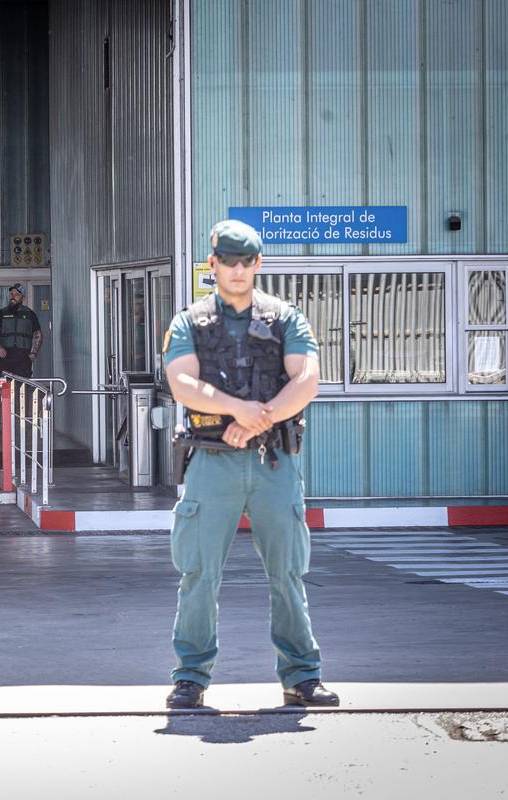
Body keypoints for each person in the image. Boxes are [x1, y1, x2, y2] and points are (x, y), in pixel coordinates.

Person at [162, 219, 336, 709]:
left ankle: (302, 675)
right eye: (228, 262)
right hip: (213, 461)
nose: (237, 270)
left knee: (287, 572)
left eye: (247, 262)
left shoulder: (286, 319)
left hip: (272, 462)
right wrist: (238, 410)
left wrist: (256, 422)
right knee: (198, 572)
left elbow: (307, 381)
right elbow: (182, 383)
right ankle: (190, 677)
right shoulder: (188, 322)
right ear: (212, 264)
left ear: (258, 264)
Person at [0, 283, 42, 380]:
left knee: (22, 386)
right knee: (5, 386)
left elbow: (37, 335)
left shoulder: (30, 314)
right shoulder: (1, 313)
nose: (13, 297)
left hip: (23, 356)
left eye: (16, 295)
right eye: (11, 294)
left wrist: (33, 353)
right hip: (5, 355)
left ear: (23, 297)